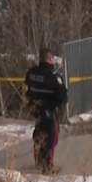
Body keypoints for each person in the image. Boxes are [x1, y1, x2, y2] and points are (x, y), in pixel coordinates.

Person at [25, 46, 68, 174]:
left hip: (35, 110)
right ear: (49, 59)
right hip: (49, 111)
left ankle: (38, 162)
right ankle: (48, 166)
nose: (54, 61)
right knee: (52, 137)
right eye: (53, 58)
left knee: (38, 135)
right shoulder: (54, 77)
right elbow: (63, 97)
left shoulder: (31, 73)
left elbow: (26, 89)